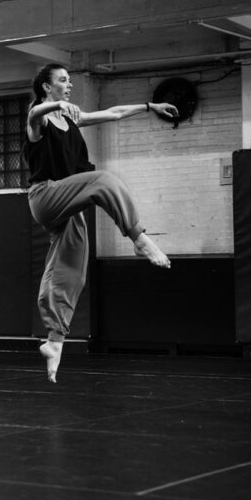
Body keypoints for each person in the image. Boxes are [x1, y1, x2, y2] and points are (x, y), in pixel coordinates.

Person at [24, 64, 177, 383]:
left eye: (69, 81)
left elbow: (114, 113)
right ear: (46, 88)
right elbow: (35, 115)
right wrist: (55, 105)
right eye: (63, 81)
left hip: (70, 201)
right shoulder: (38, 120)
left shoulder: (71, 117)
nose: (69, 86)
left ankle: (54, 343)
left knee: (71, 271)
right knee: (104, 181)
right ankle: (138, 238)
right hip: (46, 196)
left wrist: (150, 106)